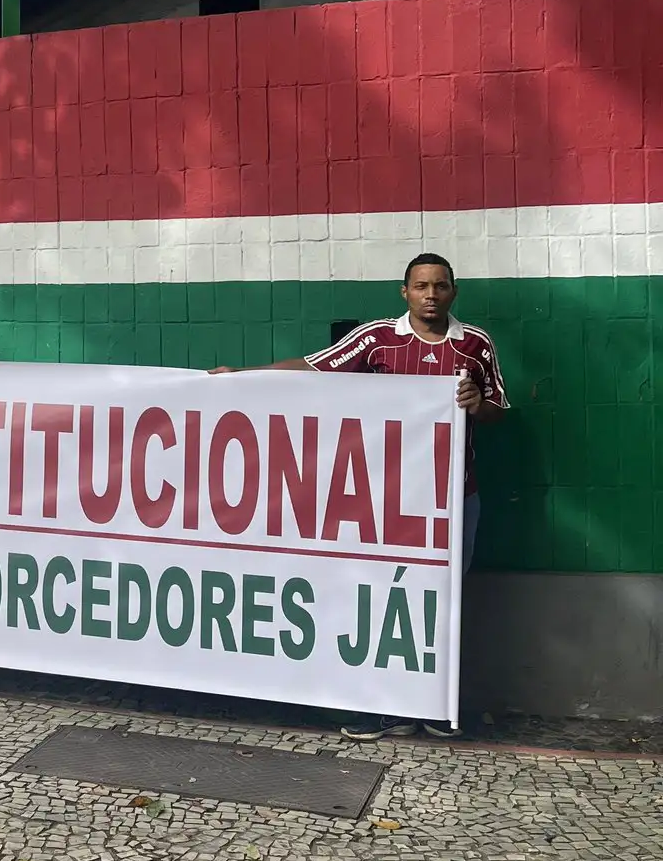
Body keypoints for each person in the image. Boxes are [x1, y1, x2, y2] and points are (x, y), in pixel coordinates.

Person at [213, 252, 507, 740]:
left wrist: (479, 405)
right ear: (405, 292)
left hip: (455, 495)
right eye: (421, 286)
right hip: (386, 499)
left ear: (453, 291)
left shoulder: (474, 344)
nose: (430, 295)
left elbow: (499, 408)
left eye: (440, 286)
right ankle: (379, 703)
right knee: (381, 597)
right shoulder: (378, 340)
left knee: (444, 598)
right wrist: (244, 376)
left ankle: (433, 704)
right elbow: (313, 367)